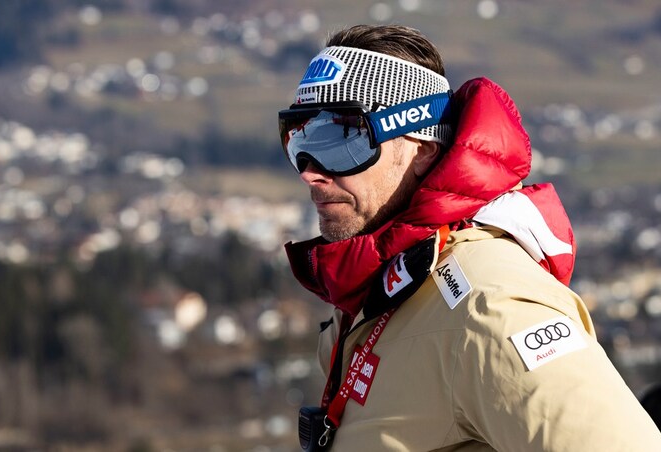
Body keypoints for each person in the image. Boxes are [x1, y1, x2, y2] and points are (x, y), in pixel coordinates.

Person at [277, 24, 661, 451]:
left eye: (343, 140)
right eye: (300, 139)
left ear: (421, 147)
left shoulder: (488, 306)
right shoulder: (376, 290)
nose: (311, 171)